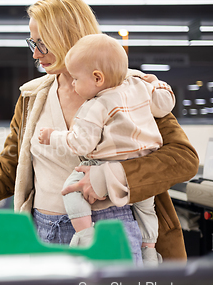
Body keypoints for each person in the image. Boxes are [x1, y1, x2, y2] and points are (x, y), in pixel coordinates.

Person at [0, 0, 198, 262]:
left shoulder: (126, 87)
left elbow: (182, 159)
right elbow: (5, 175)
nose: (35, 53)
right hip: (43, 231)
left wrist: (110, 177)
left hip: (113, 229)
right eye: (32, 43)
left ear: (68, 37)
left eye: (42, 43)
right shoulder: (32, 98)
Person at [38, 33, 174, 265]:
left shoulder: (96, 106)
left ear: (98, 78)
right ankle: (149, 250)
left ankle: (85, 237)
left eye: (76, 79)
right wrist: (156, 83)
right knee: (146, 209)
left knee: (72, 190)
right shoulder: (139, 86)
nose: (73, 83)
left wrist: (53, 136)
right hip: (142, 163)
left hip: (106, 163)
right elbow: (165, 103)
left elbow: (81, 143)